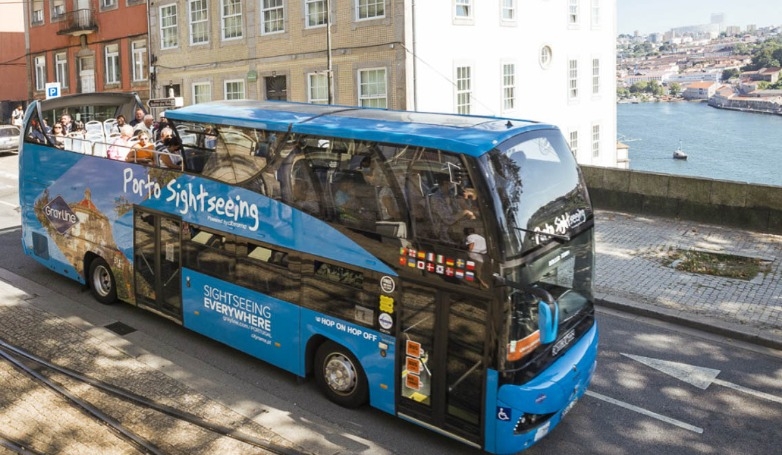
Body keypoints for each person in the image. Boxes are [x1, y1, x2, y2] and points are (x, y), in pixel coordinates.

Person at [429, 173, 475, 241]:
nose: (453, 184)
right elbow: (448, 220)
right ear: (445, 183)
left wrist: (469, 214)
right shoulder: (436, 198)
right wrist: (465, 212)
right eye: (452, 182)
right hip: (445, 231)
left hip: (457, 226)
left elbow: (458, 211)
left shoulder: (450, 194)